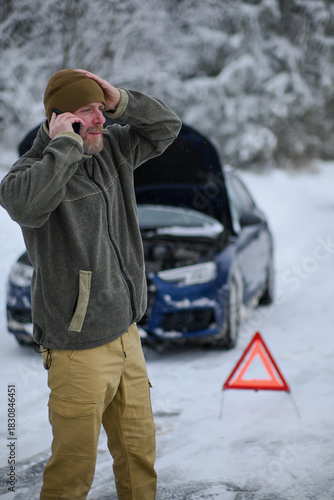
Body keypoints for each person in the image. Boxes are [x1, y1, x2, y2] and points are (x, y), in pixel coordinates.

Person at [0, 68, 182, 500]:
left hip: (126, 336)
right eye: (89, 110)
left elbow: (167, 127)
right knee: (72, 472)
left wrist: (121, 99)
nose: (101, 119)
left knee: (139, 455)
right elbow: (23, 206)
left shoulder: (112, 149)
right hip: (77, 349)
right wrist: (64, 146)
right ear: (60, 117)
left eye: (102, 109)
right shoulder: (30, 173)